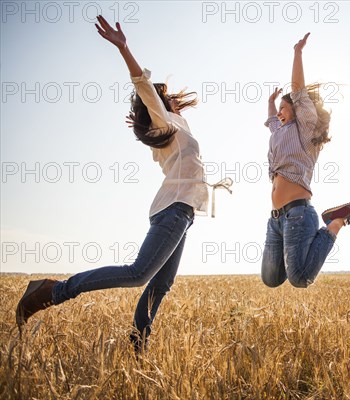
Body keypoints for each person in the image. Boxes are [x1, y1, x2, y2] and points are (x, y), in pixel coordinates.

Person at [15, 15, 208, 353]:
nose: (173, 97)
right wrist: (124, 48)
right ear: (159, 106)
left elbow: (159, 103)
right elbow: (144, 87)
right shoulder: (165, 124)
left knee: (161, 284)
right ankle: (52, 290)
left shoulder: (178, 125)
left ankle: (137, 347)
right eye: (166, 97)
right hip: (174, 209)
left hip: (183, 211)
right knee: (138, 274)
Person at [261, 33, 350, 288]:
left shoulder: (304, 129)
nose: (280, 114)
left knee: (300, 279)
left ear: (295, 109)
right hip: (276, 218)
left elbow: (297, 90)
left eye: (285, 108)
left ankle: (335, 222)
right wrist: (272, 103)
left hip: (298, 213)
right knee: (271, 279)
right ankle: (307, 244)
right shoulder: (279, 132)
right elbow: (272, 121)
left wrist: (297, 53)